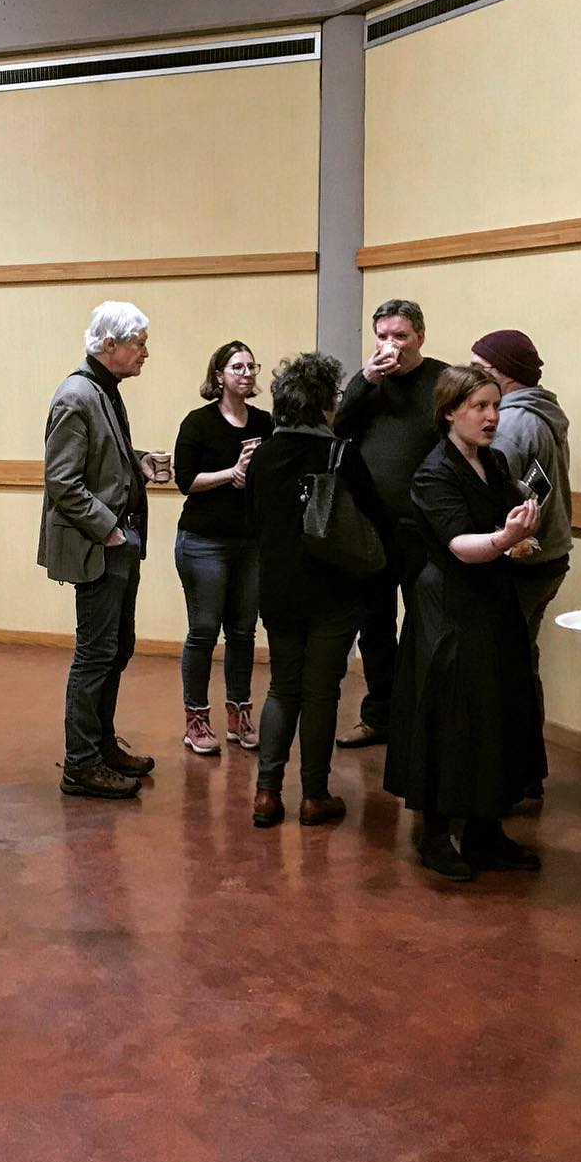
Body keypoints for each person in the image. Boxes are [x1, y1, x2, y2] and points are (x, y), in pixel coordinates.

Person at [383, 364, 544, 881]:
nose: (492, 416)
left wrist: (519, 536)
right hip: (449, 606)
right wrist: (505, 539)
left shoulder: (494, 462)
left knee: (495, 711)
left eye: (496, 406)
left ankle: (485, 831)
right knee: (450, 716)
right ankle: (435, 835)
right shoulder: (434, 472)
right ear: (450, 412)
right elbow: (460, 545)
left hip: (491, 600)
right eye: (480, 407)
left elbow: (502, 527)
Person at [245, 354, 390, 829]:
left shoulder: (263, 456)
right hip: (333, 592)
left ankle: (266, 794)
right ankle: (313, 796)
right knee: (322, 692)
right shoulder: (341, 455)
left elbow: (255, 522)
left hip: (278, 590)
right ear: (327, 402)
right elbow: (377, 517)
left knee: (282, 687)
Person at [38, 301, 163, 800]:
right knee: (95, 655)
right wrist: (109, 529)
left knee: (117, 648)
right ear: (109, 345)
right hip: (101, 545)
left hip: (118, 543)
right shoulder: (76, 396)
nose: (145, 353)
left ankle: (102, 745)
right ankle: (81, 764)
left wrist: (138, 461)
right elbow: (62, 481)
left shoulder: (103, 390)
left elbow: (101, 457)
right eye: (139, 343)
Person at [332, 299, 448, 749]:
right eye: (382, 336)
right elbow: (339, 429)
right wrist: (365, 380)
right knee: (375, 627)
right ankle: (379, 714)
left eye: (400, 336)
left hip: (422, 528)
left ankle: (422, 719)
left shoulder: (442, 380)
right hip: (370, 528)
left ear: (420, 336)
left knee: (425, 625)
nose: (390, 345)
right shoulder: (368, 383)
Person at [470, 329, 571, 809]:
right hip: (549, 559)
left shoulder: (510, 424)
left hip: (523, 563)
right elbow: (536, 489)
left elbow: (499, 497)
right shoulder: (544, 414)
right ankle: (528, 773)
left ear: (502, 375)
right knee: (522, 665)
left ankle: (508, 776)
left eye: (479, 370)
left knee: (501, 672)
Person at [172, 341, 273, 755]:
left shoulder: (264, 422)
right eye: (237, 367)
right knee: (203, 631)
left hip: (250, 542)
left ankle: (239, 715)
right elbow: (185, 480)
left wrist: (256, 473)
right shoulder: (198, 423)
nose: (246, 373)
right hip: (204, 542)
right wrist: (232, 472)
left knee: (243, 632)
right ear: (219, 376)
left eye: (251, 366)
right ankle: (196, 720)